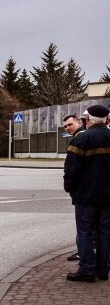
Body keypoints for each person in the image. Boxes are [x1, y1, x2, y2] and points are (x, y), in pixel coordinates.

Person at [63, 104, 110, 282]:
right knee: (105, 232)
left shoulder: (82, 139)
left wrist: (70, 188)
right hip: (108, 197)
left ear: (88, 120)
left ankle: (87, 270)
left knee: (84, 232)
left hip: (86, 197)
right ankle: (103, 270)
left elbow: (71, 169)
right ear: (106, 120)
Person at [63, 114, 88, 261]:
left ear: (79, 122)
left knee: (84, 228)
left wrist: (69, 188)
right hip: (98, 191)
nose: (67, 128)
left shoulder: (79, 139)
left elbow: (71, 168)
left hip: (84, 193)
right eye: (65, 126)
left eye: (70, 124)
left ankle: (86, 262)